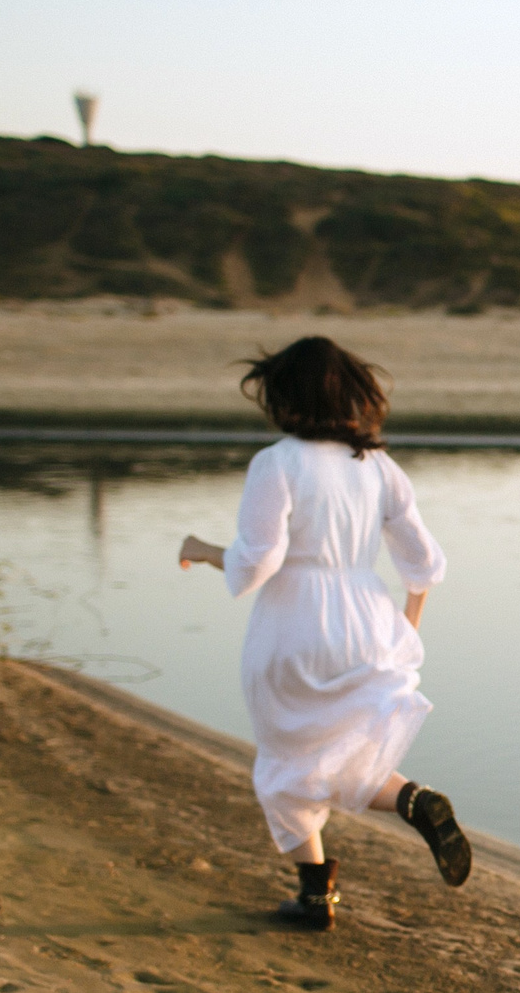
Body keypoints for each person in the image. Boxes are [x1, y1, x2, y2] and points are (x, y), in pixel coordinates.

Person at [177, 336, 471, 928]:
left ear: (285, 397)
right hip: (367, 619)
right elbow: (424, 564)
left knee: (288, 760)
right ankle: (409, 802)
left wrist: (201, 549)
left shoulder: (277, 463)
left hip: (295, 622)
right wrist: (404, 630)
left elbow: (259, 561)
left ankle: (316, 896)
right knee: (341, 750)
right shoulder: (379, 467)